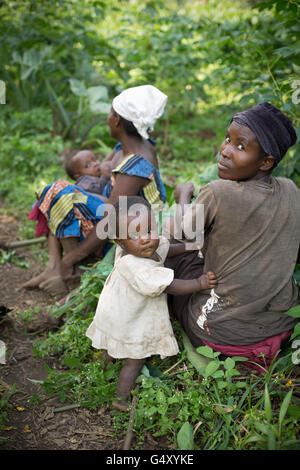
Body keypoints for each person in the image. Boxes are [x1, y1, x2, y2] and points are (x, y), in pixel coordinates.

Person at [165, 102, 300, 373]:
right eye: (228, 139)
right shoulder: (290, 189)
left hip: (221, 336)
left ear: (266, 162)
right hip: (281, 327)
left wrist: (182, 197)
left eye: (241, 147)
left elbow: (182, 234)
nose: (225, 150)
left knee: (170, 254)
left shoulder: (218, 192)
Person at [23, 85, 169, 297]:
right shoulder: (125, 148)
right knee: (55, 194)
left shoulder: (137, 164)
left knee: (60, 193)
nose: (108, 119)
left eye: (110, 114)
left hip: (132, 231)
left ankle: (71, 270)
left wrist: (71, 257)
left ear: (117, 120)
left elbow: (111, 218)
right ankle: (53, 267)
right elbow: (100, 179)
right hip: (119, 217)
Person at [85, 196, 217, 411]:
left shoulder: (141, 247)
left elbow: (166, 248)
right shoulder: (137, 267)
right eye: (135, 235)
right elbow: (171, 285)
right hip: (129, 319)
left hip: (117, 311)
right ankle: (120, 398)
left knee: (112, 345)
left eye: (148, 230)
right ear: (120, 242)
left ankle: (100, 367)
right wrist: (199, 282)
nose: (146, 239)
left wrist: (189, 247)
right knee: (135, 360)